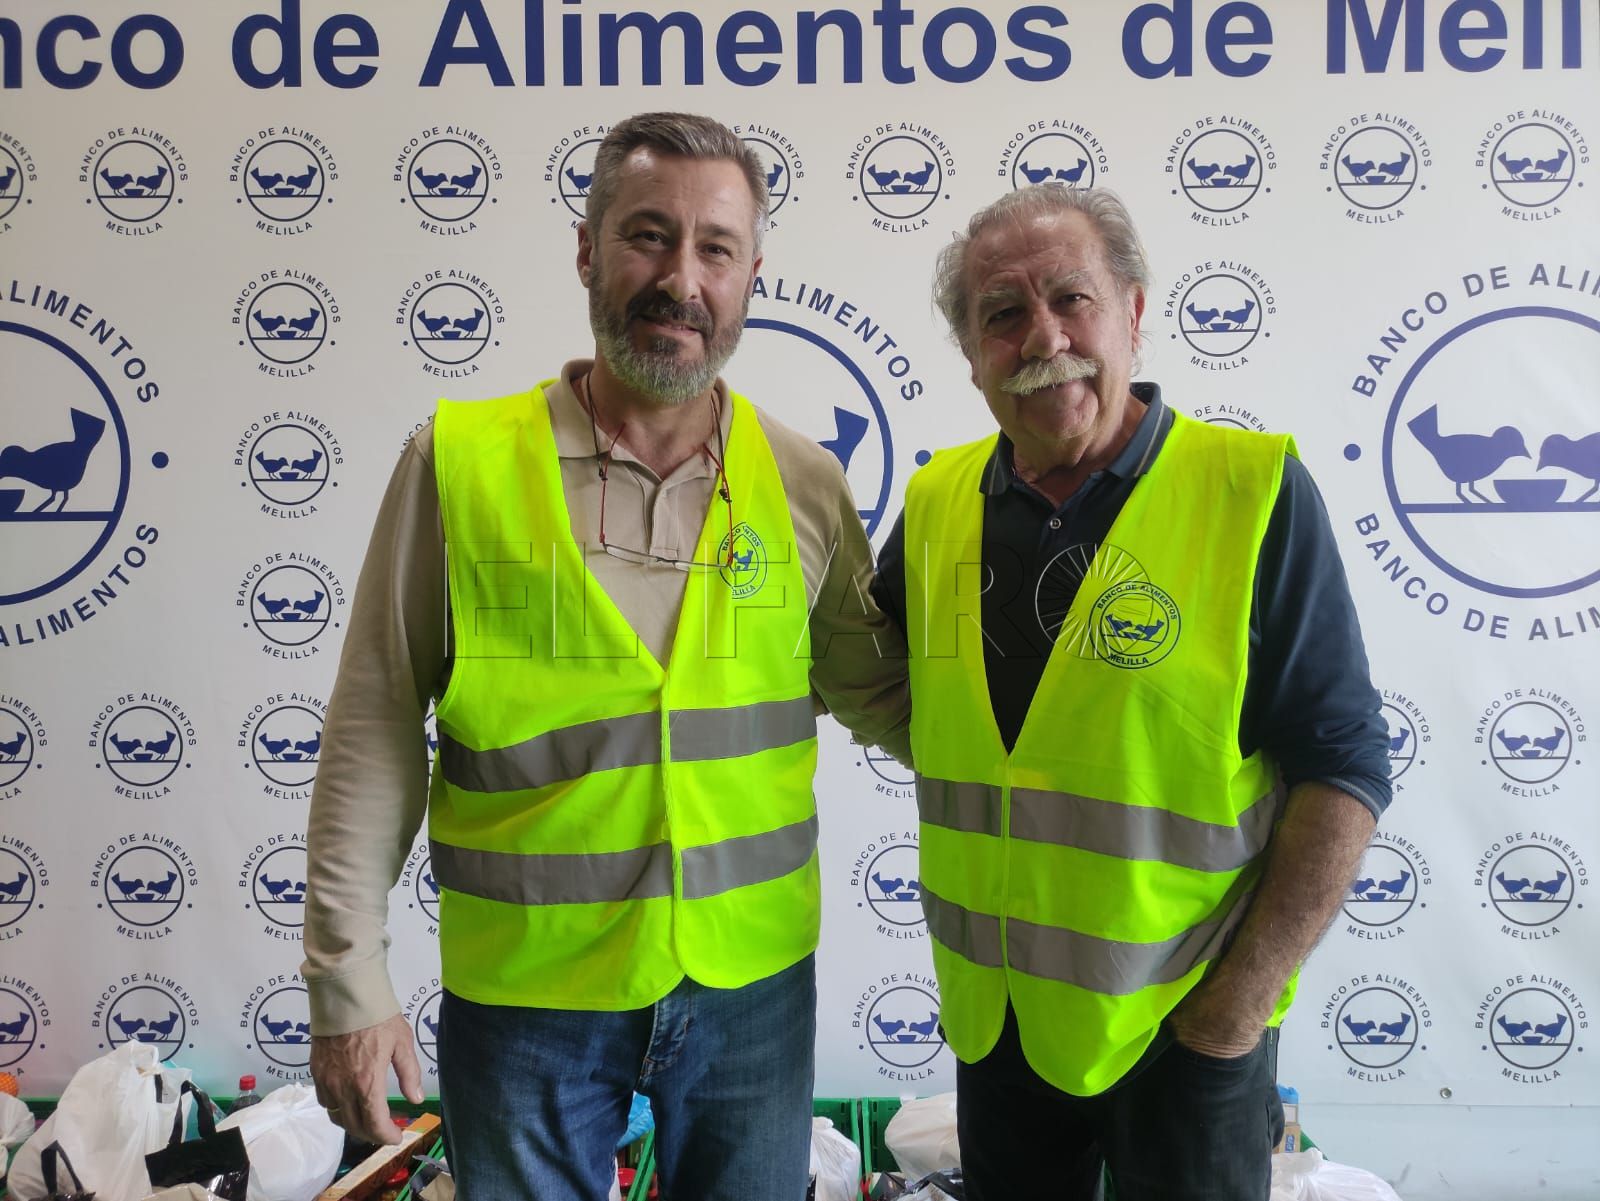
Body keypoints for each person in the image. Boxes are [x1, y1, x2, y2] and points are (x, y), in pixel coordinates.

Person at [303, 112, 911, 1201]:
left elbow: (887, 699)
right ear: (586, 250)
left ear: (749, 276)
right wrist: (349, 977)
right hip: (529, 995)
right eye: (646, 235)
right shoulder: (461, 463)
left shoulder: (806, 479)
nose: (681, 278)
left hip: (751, 986)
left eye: (715, 249)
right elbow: (375, 720)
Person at [870, 185, 1392, 1201]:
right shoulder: (935, 504)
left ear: (1135, 311)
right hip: (1001, 1026)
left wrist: (1229, 1016)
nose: (1044, 338)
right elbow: (874, 682)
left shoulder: (1250, 492)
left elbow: (1344, 768)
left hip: (1185, 1027)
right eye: (1002, 314)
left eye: (1072, 299)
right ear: (970, 352)